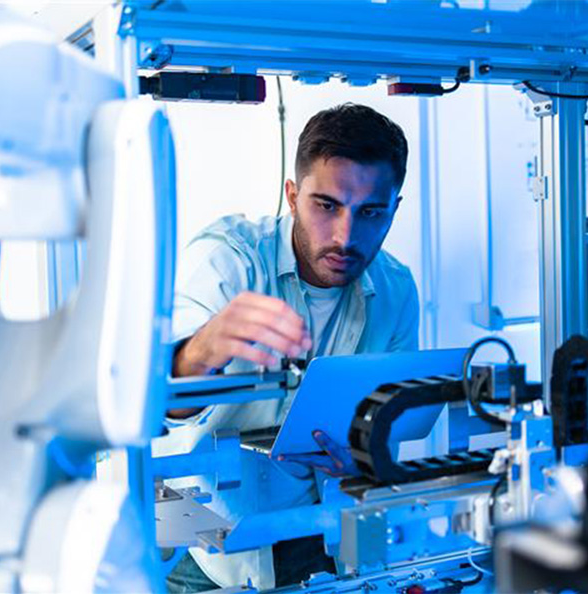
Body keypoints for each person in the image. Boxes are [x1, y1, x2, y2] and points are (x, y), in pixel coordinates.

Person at [157, 103, 419, 592]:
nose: (346, 235)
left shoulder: (397, 289)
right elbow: (158, 402)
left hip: (318, 524)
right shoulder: (229, 263)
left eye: (371, 212)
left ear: (394, 208)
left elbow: (394, 417)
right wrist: (200, 352)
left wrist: (367, 453)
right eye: (326, 205)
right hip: (200, 527)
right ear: (293, 196)